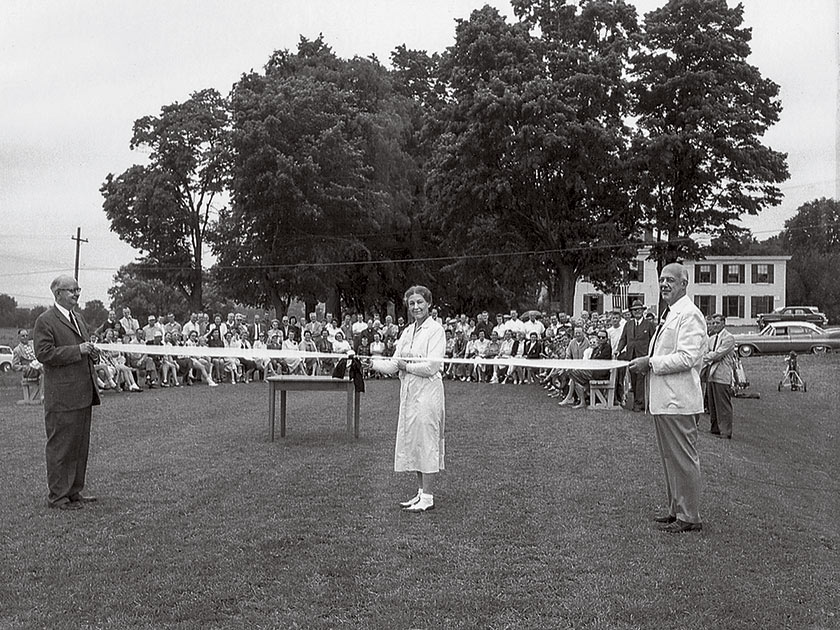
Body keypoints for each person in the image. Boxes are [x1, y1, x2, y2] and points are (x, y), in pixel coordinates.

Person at [629, 263, 707, 533]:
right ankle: (677, 509)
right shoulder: (671, 313)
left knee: (683, 459)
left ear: (684, 284)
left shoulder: (690, 315)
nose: (664, 284)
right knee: (670, 459)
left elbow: (687, 357)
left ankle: (690, 516)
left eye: (670, 280)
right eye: (661, 279)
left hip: (679, 401)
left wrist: (650, 362)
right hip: (665, 401)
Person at [33, 275, 101, 510]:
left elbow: (84, 348)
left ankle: (74, 491)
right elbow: (44, 354)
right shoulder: (45, 321)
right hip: (62, 397)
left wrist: (92, 352)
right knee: (61, 447)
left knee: (79, 447)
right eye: (71, 290)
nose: (76, 293)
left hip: (82, 392)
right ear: (58, 293)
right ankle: (58, 497)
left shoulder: (79, 319)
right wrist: (78, 350)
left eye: (78, 289)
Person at [393, 285, 446, 513]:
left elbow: (431, 366)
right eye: (412, 303)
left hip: (428, 392)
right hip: (410, 392)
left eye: (420, 302)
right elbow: (394, 361)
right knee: (414, 441)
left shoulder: (436, 330)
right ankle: (420, 492)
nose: (416, 307)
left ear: (429, 304)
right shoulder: (407, 331)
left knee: (427, 442)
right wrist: (369, 363)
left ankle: (429, 496)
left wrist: (406, 366)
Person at [617, 300, 656, 412]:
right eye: (635, 310)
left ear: (643, 311)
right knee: (633, 380)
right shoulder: (628, 324)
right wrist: (618, 350)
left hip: (643, 356)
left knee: (641, 380)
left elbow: (654, 340)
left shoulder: (649, 324)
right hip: (631, 356)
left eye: (639, 310)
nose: (637, 312)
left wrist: (651, 355)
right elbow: (623, 339)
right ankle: (638, 401)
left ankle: (639, 404)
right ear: (632, 312)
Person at [704, 313, 736, 439]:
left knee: (723, 404)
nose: (715, 325)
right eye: (713, 323)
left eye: (717, 323)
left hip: (722, 375)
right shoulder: (711, 339)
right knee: (712, 404)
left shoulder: (729, 338)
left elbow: (718, 354)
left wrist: (705, 357)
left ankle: (726, 431)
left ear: (724, 323)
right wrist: (708, 356)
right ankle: (715, 428)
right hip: (711, 375)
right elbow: (707, 351)